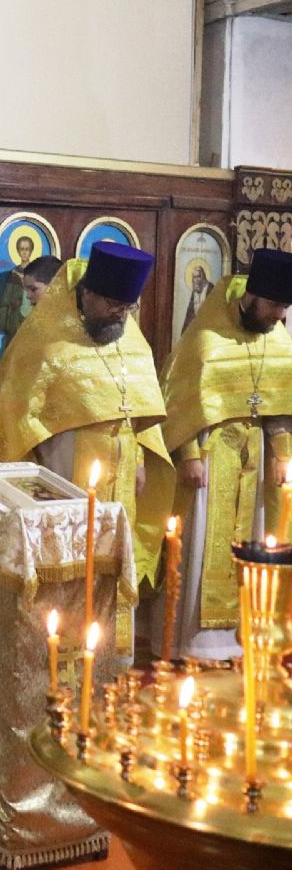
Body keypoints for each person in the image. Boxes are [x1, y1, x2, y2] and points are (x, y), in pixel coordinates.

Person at [0, 241, 174, 652]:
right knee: (68, 569)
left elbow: (138, 408)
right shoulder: (43, 340)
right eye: (113, 304)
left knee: (113, 565)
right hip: (64, 471)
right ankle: (60, 661)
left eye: (128, 306)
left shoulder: (132, 339)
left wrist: (140, 456)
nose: (120, 314)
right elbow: (12, 418)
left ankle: (111, 660)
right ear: (86, 293)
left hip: (122, 479)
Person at [153, 248, 292, 659]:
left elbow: (282, 408)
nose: (279, 315)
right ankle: (194, 643)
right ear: (251, 295)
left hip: (256, 461)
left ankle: (243, 638)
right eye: (273, 305)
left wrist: (284, 456)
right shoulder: (206, 337)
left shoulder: (277, 337)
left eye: (284, 307)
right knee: (201, 548)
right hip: (213, 459)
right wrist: (190, 456)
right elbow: (179, 401)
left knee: (253, 544)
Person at [0, 234, 37, 362]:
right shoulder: (12, 275)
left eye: (27, 249)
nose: (24, 252)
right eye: (22, 249)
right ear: (18, 251)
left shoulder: (36, 274)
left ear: (31, 251)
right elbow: (4, 301)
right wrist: (12, 304)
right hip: (15, 321)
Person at [181, 263, 215, 333]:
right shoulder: (195, 292)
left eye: (198, 276)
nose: (196, 280)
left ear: (203, 277)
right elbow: (189, 316)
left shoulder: (211, 289)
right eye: (194, 277)